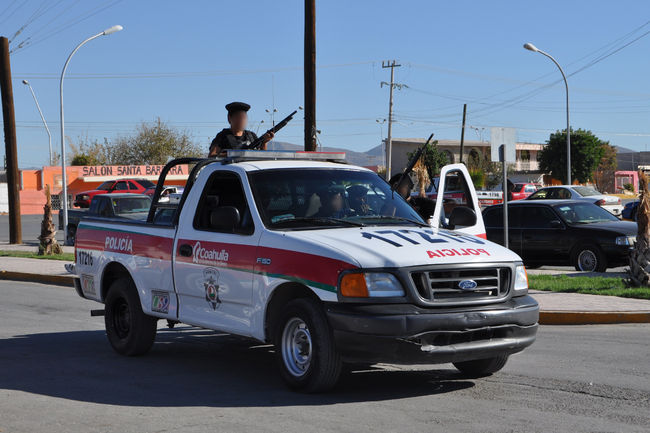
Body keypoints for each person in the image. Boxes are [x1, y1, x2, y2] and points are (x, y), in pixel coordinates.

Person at [208, 102, 274, 157]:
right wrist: (235, 155)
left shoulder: (251, 136)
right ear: (229, 118)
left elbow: (262, 156)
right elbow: (212, 155)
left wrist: (264, 142)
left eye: (244, 117)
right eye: (238, 117)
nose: (242, 120)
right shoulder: (222, 136)